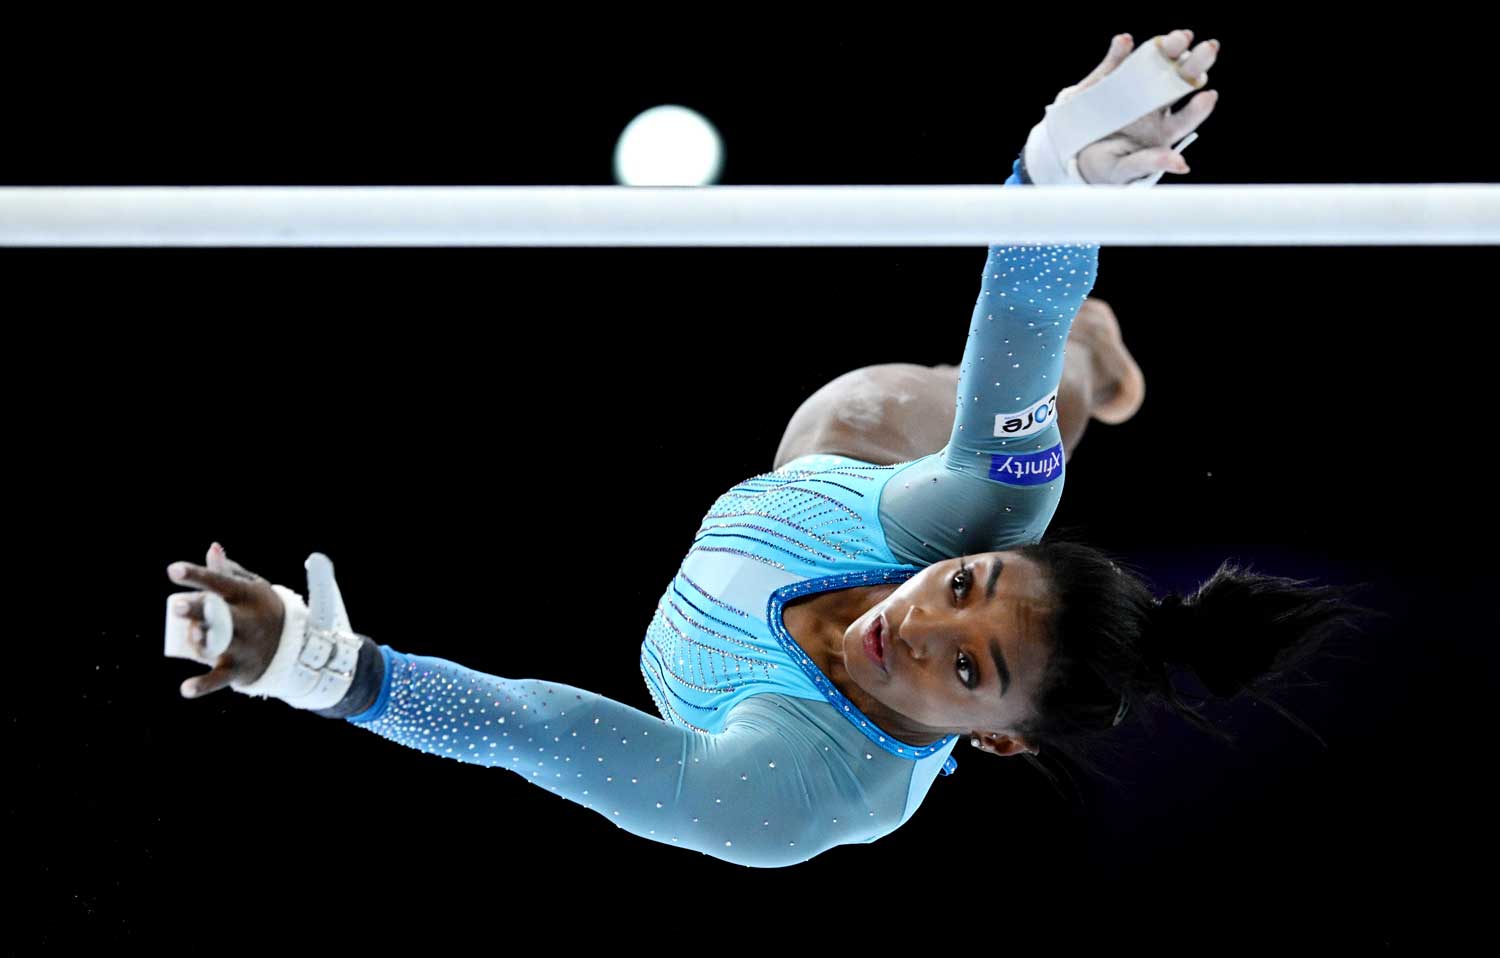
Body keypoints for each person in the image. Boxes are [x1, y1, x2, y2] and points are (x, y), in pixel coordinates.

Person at [163, 30, 1375, 868]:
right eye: (965, 592)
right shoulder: (978, 525)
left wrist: (324, 669)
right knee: (972, 427)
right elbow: (1012, 312)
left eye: (965, 671)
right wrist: (1055, 181)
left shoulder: (786, 798)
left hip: (748, 639)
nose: (926, 623)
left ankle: (1093, 368)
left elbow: (534, 731)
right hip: (845, 470)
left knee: (996, 437)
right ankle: (1090, 366)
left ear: (994, 737)